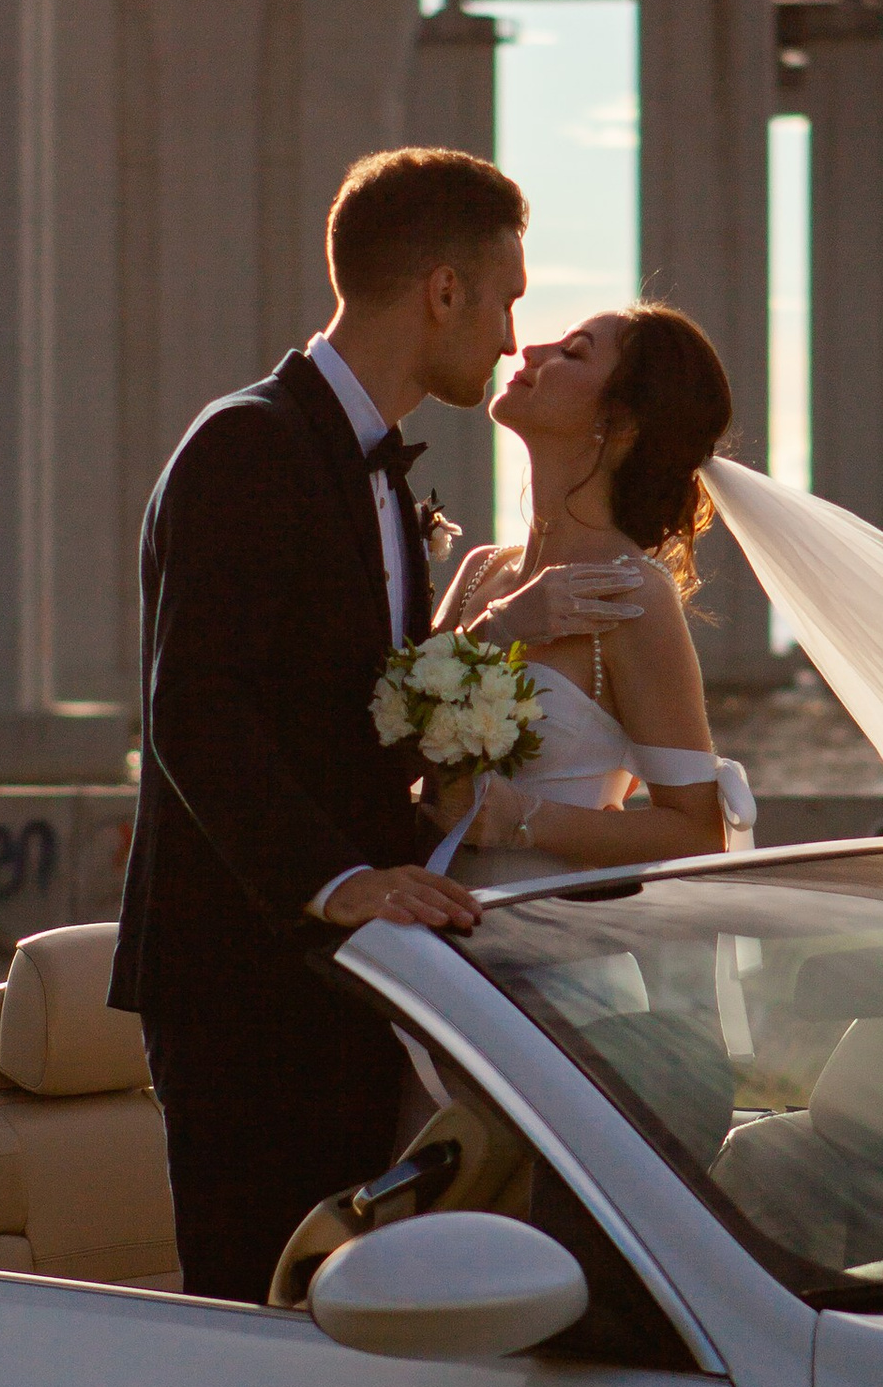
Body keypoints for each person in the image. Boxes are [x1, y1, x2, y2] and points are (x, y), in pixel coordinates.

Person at [109, 148, 644, 1305]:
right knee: (261, 1314)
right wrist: (337, 878)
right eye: (505, 299)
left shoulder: (382, 479)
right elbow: (194, 709)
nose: (513, 339)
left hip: (351, 982)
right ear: (442, 292)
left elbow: (345, 713)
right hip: (247, 988)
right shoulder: (246, 444)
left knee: (363, 1322)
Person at [433, 303, 755, 882]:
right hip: (421, 945)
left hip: (552, 953)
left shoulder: (631, 597)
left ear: (623, 422)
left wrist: (521, 817)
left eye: (572, 352)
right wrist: (493, 630)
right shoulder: (481, 571)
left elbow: (696, 832)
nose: (530, 352)